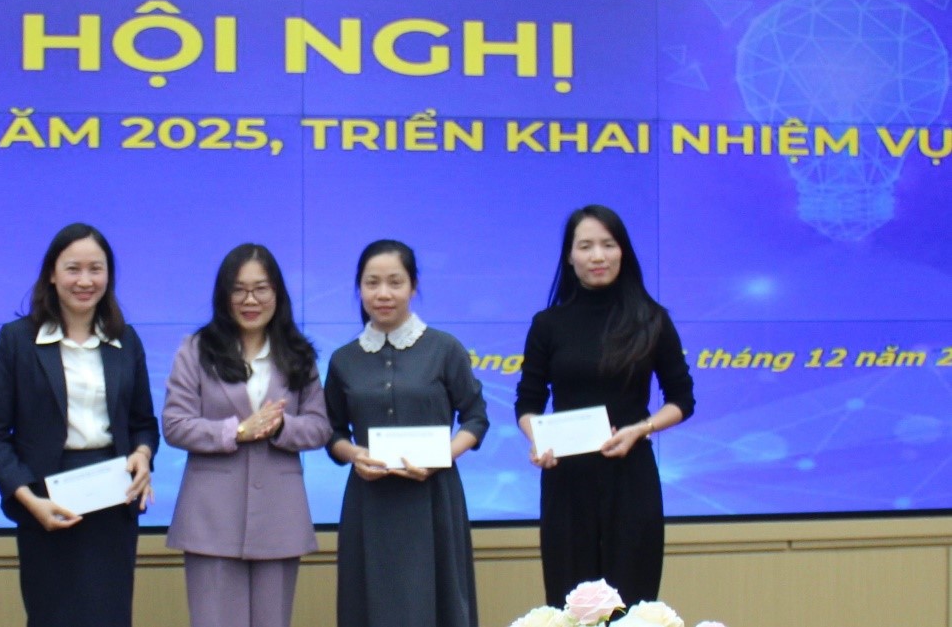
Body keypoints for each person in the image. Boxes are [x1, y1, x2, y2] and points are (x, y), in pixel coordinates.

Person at [0, 222, 158, 627]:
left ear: (109, 276)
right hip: (47, 502)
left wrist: (143, 455)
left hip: (113, 500)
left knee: (110, 617)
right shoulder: (17, 341)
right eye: (73, 269)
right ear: (52, 274)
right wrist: (28, 499)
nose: (85, 281)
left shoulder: (126, 341)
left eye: (96, 269)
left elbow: (144, 423)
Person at [514, 204, 696, 607]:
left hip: (630, 476)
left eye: (607, 245)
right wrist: (537, 439)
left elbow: (682, 399)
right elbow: (527, 401)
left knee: (632, 602)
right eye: (586, 246)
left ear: (622, 251)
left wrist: (640, 429)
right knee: (570, 603)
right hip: (566, 479)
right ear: (569, 256)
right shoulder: (548, 324)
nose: (597, 256)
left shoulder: (651, 319)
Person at [163, 244, 331, 627]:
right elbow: (174, 424)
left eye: (260, 289)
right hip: (211, 520)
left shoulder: (298, 354)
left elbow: (320, 426)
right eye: (238, 290)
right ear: (223, 295)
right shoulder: (196, 350)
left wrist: (281, 427)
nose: (250, 300)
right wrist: (237, 431)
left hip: (279, 518)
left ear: (277, 294)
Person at [324, 239, 488, 627]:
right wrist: (354, 454)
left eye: (395, 282)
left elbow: (476, 418)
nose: (383, 294)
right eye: (372, 283)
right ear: (359, 288)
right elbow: (331, 431)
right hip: (369, 501)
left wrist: (442, 456)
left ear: (413, 286)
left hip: (433, 496)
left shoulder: (444, 348)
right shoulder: (344, 359)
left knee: (437, 603)